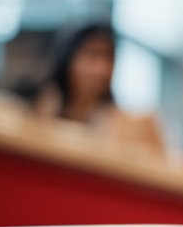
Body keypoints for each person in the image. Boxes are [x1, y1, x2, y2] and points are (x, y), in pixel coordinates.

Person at [28, 22, 164, 153]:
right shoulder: (36, 110)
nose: (102, 69)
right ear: (69, 58)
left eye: (109, 58)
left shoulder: (135, 127)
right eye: (92, 55)